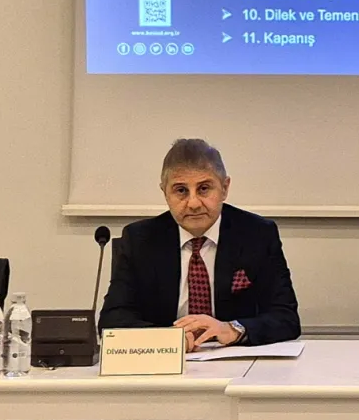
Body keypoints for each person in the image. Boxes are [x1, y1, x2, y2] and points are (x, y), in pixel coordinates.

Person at [99, 138, 301, 349]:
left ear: (224, 188)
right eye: (181, 191)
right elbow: (111, 321)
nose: (193, 203)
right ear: (165, 193)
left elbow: (286, 318)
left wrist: (232, 329)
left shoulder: (257, 234)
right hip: (167, 361)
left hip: (237, 359)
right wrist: (168, 340)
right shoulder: (140, 239)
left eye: (204, 189)